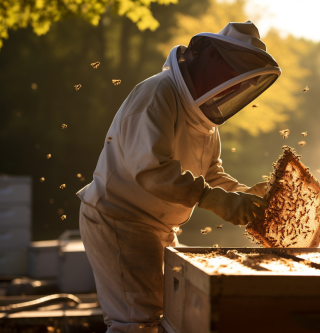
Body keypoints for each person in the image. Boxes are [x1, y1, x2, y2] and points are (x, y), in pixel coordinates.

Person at [76, 21, 281, 332]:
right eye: (235, 73)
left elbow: (210, 174)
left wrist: (241, 194)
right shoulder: (158, 93)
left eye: (244, 80)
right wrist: (213, 198)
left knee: (171, 315)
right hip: (120, 219)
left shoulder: (204, 119)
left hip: (159, 226)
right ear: (212, 55)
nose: (238, 87)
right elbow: (151, 170)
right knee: (138, 320)